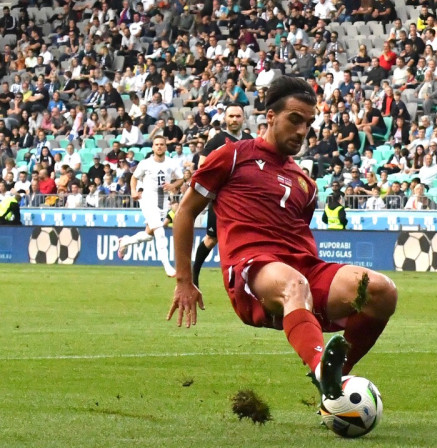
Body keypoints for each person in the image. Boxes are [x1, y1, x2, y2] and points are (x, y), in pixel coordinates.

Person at [169, 76, 397, 403]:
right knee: (294, 284)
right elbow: (185, 213)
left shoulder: (306, 184)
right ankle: (323, 371)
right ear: (270, 117)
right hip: (252, 270)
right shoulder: (231, 156)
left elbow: (300, 240)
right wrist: (184, 280)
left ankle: (336, 383)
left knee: (381, 291)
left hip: (301, 271)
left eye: (308, 123)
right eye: (295, 120)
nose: (303, 131)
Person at [192, 105, 253, 288]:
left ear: (243, 118)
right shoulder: (217, 140)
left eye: (238, 116)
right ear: (225, 119)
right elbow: (202, 164)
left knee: (247, 238)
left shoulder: (250, 141)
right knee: (212, 239)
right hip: (222, 199)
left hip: (244, 200)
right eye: (231, 116)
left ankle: (246, 280)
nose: (234, 119)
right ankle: (194, 274)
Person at [117, 136, 184, 277]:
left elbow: (180, 178)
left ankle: (125, 241)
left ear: (166, 147)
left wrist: (172, 185)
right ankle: (168, 267)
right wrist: (134, 191)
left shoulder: (172, 163)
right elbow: (134, 177)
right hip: (147, 199)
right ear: (152, 147)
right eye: (156, 144)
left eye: (162, 144)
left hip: (162, 200)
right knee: (159, 230)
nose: (159, 147)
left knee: (149, 234)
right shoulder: (145, 163)